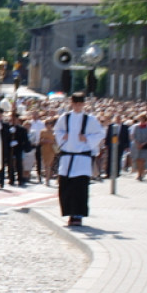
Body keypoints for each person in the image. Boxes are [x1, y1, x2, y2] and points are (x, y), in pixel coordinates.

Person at [54, 92, 105, 226]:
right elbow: (57, 131)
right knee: (66, 188)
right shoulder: (64, 118)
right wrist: (62, 137)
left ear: (83, 104)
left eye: (80, 104)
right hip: (67, 157)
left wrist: (87, 139)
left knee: (79, 188)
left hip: (82, 159)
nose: (77, 106)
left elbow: (100, 133)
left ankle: (78, 215)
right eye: (75, 104)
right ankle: (69, 213)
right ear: (72, 104)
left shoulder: (90, 120)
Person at [130, 115, 147, 181]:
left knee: (142, 160)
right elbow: (132, 135)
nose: (142, 120)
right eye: (140, 118)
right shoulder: (135, 126)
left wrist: (144, 144)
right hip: (136, 146)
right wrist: (137, 143)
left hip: (144, 146)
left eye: (143, 119)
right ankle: (139, 173)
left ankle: (141, 174)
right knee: (138, 160)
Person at [39, 118, 58, 186]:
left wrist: (51, 141)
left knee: (49, 164)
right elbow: (40, 140)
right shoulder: (42, 131)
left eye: (49, 124)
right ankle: (47, 178)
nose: (48, 125)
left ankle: (48, 179)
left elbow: (57, 141)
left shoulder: (54, 131)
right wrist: (44, 141)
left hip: (51, 149)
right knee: (45, 164)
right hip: (44, 148)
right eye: (47, 124)